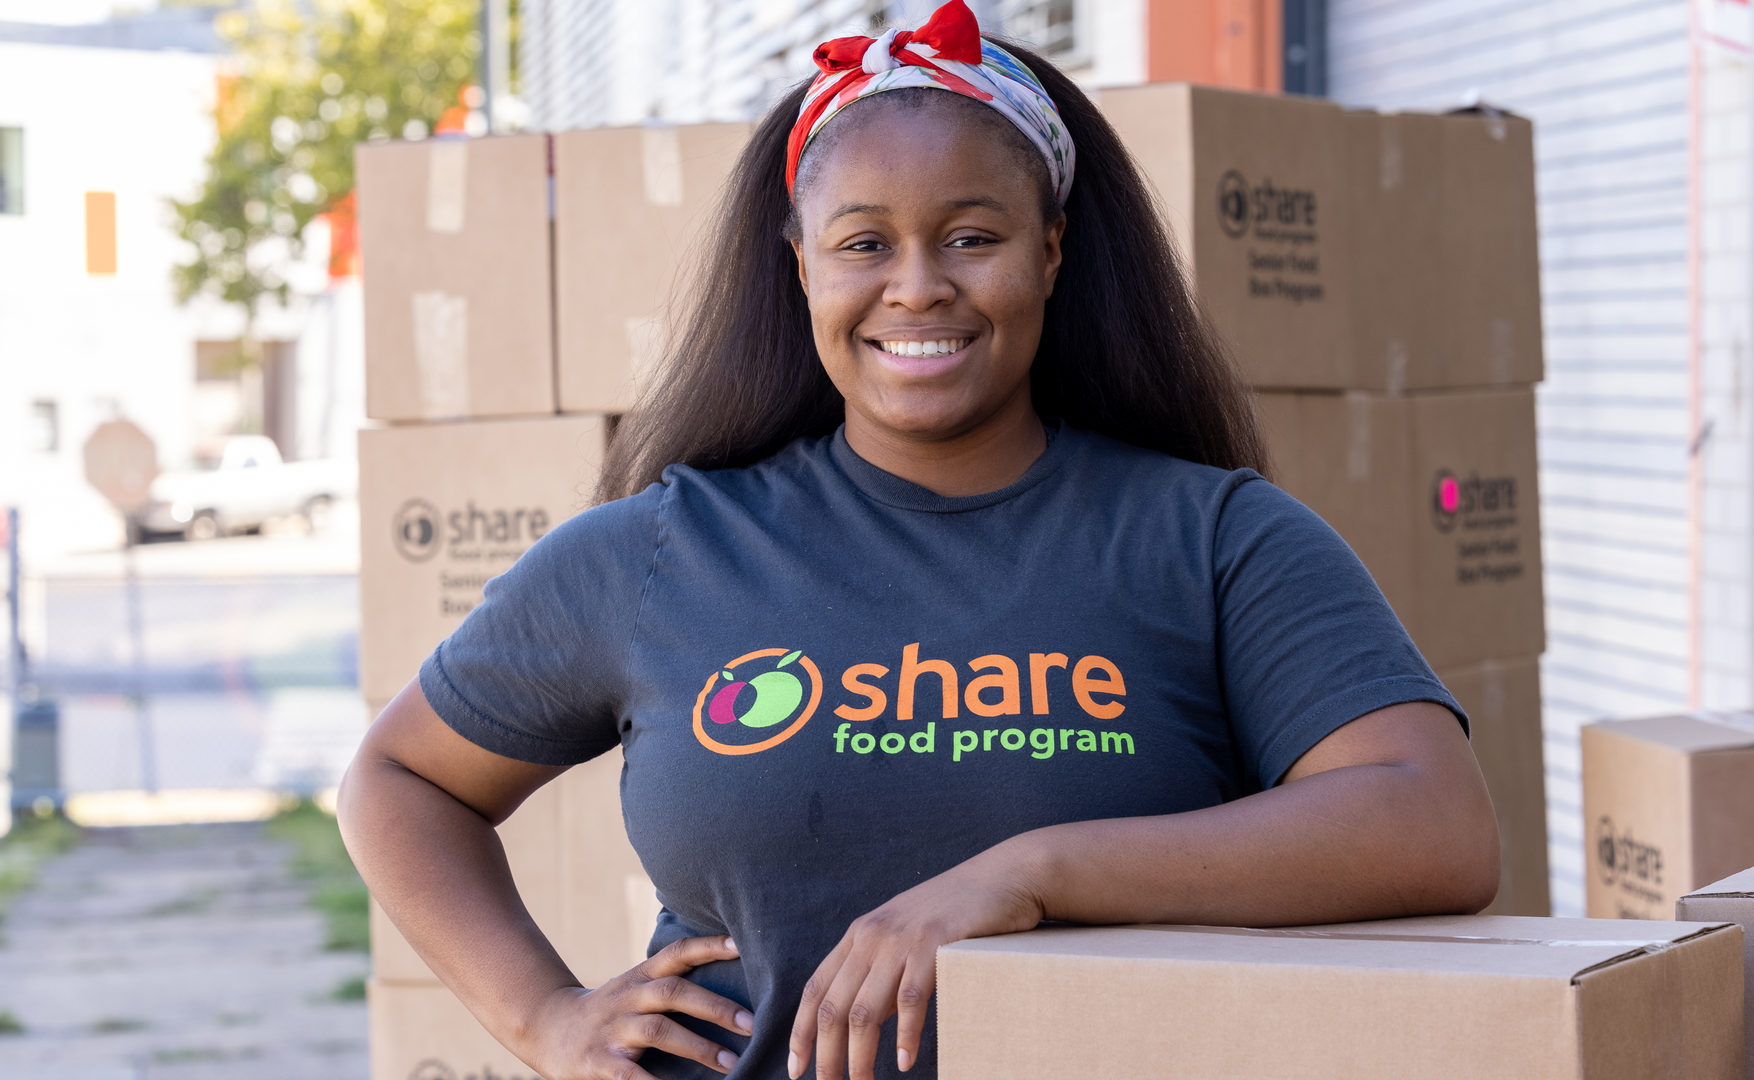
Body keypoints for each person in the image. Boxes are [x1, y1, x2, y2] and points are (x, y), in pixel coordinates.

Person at [336, 4, 1501, 1079]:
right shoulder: (659, 553)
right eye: (863, 245)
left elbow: (1432, 823)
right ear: (799, 267)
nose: (918, 287)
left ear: (1051, 250)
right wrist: (543, 1016)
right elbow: (399, 780)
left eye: (970, 236)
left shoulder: (1212, 539)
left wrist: (1031, 876)